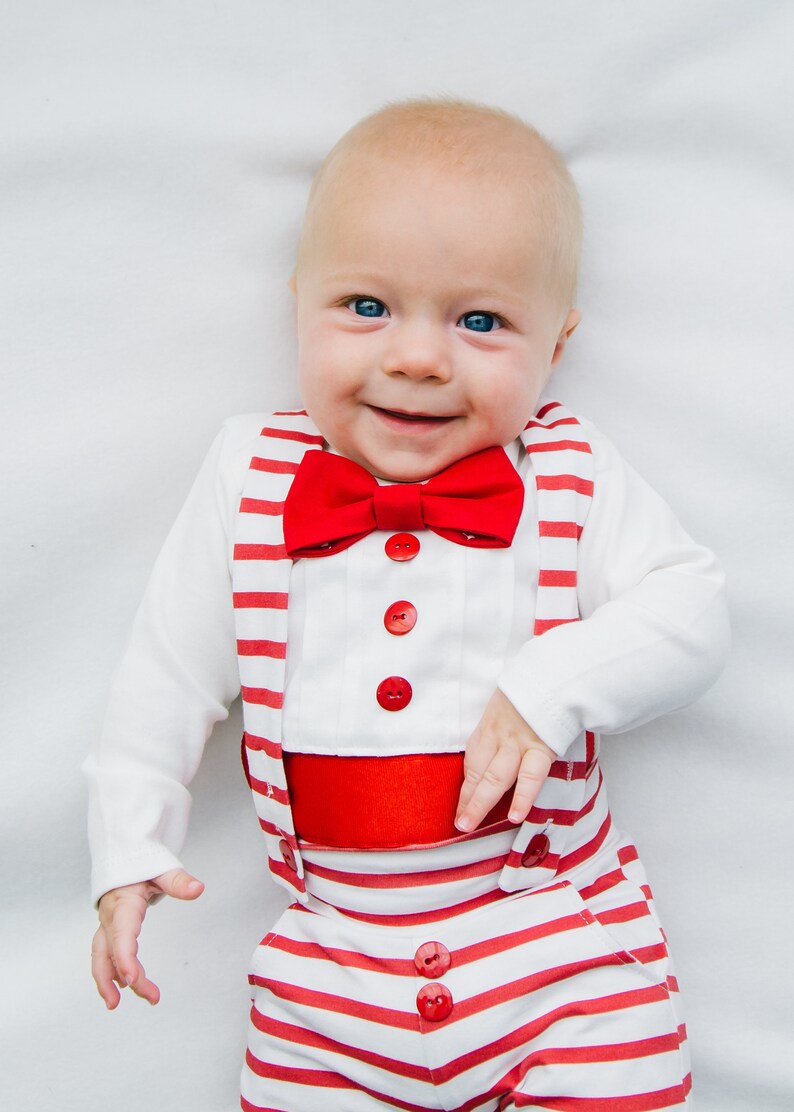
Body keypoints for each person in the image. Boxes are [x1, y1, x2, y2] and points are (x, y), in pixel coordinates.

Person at [86, 98, 729, 1110]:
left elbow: (692, 610)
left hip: (556, 957)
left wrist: (549, 684)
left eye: (480, 321)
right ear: (296, 303)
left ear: (555, 343)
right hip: (330, 991)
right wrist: (128, 846)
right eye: (365, 307)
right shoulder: (248, 474)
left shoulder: (568, 474)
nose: (418, 356)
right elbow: (162, 675)